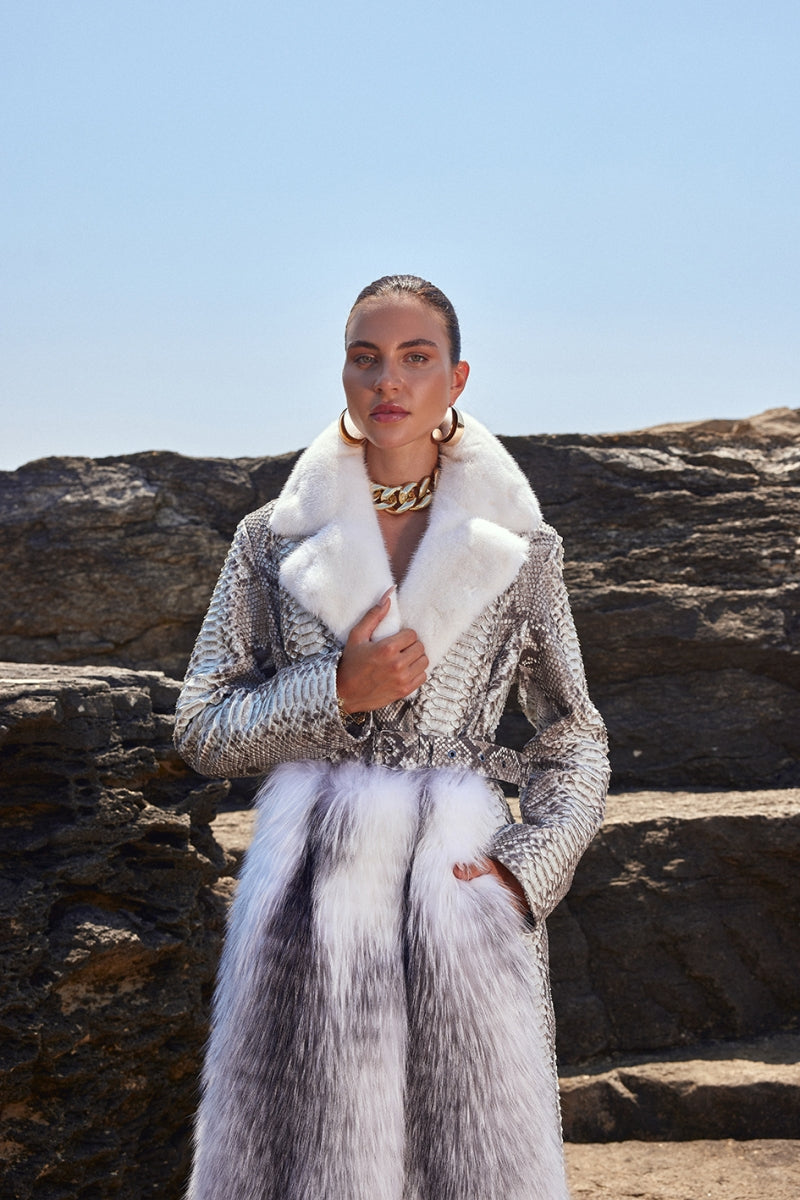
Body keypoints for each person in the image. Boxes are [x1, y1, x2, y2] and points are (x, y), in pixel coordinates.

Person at [174, 274, 609, 1200]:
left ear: (456, 379)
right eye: (365, 357)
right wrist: (337, 690)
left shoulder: (521, 545)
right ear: (343, 372)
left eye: (416, 358)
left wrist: (526, 870)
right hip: (311, 899)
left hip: (464, 891)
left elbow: (572, 735)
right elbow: (203, 725)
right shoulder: (270, 537)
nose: (388, 382)